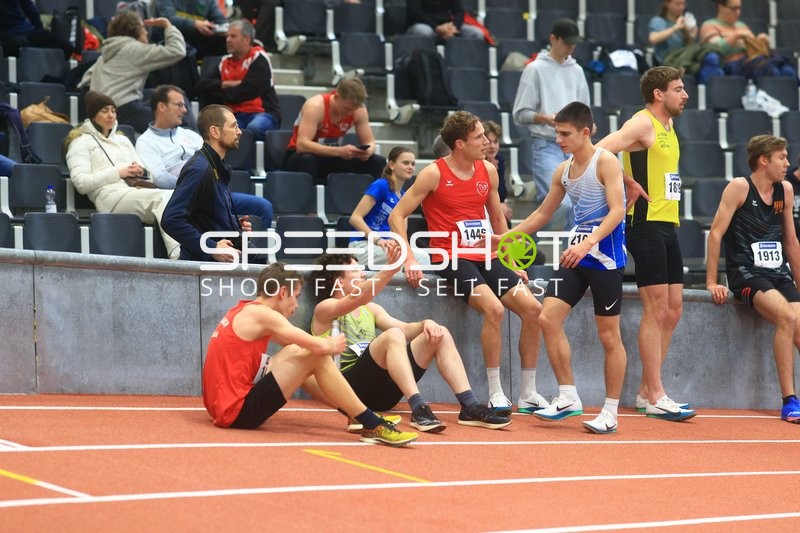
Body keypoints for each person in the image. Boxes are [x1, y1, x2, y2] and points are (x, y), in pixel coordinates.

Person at [388, 110, 547, 416]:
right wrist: (408, 257)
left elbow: (497, 218)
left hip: (485, 253)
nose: (486, 142)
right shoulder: (433, 173)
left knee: (533, 310)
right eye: (478, 137)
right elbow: (397, 215)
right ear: (459, 144)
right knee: (495, 309)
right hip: (450, 256)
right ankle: (496, 392)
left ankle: (527, 393)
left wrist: (511, 259)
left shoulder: (487, 170)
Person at [489, 102, 630, 433]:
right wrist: (505, 238)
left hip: (606, 259)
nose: (558, 139)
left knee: (609, 336)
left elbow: (617, 211)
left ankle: (610, 411)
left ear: (585, 132)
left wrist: (587, 242)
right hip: (575, 259)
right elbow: (541, 214)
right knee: (546, 318)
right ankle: (568, 395)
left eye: (565, 134)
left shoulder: (606, 162)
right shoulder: (563, 171)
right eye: (556, 133)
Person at [202, 262, 419, 446]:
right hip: (237, 412)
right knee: (316, 355)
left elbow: (293, 345)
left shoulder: (244, 310)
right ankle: (372, 424)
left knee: (296, 352)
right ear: (282, 293)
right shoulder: (264, 315)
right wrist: (330, 344)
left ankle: (356, 413)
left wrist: (317, 346)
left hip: (220, 407)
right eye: (295, 297)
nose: (296, 306)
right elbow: (319, 348)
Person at [309, 250, 512, 433]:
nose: (363, 273)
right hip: (349, 390)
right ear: (338, 281)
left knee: (438, 332)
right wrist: (391, 269)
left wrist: (426, 323)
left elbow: (405, 329)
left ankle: (470, 405)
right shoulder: (325, 309)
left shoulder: (370, 310)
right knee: (392, 336)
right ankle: (418, 407)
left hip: (382, 394)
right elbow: (357, 299)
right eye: (355, 270)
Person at [596, 66, 696, 421]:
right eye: (679, 89)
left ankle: (644, 391)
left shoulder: (669, 126)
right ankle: (655, 394)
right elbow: (598, 151)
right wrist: (627, 181)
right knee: (656, 309)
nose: (685, 95)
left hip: (668, 223)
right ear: (658, 94)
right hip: (645, 225)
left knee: (674, 310)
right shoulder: (642, 123)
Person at [706, 134, 800, 424]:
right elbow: (716, 233)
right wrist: (711, 281)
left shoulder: (784, 189)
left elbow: (792, 243)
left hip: (778, 273)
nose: (787, 163)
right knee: (786, 317)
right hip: (746, 273)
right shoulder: (739, 187)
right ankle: (789, 401)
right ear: (764, 160)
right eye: (781, 157)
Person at [135, 85, 273, 228]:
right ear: (162, 107)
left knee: (263, 207)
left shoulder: (191, 135)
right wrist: (193, 183)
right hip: (184, 198)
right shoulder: (146, 141)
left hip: (214, 193)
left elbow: (215, 162)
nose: (184, 110)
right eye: (179, 105)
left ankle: (251, 249)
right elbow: (160, 179)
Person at [65, 91, 180, 259]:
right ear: (92, 115)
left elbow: (149, 175)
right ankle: (177, 252)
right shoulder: (80, 143)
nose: (111, 115)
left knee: (179, 198)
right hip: (110, 198)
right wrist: (119, 172)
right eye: (104, 111)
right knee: (165, 198)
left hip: (136, 191)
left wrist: (141, 171)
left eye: (113, 110)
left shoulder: (123, 140)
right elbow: (81, 184)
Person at [512, 18, 589, 229]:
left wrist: (587, 126)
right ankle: (533, 243)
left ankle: (571, 257)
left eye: (573, 43)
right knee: (560, 204)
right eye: (567, 42)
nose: (571, 47)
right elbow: (520, 113)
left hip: (575, 146)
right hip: (547, 143)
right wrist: (545, 118)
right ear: (553, 39)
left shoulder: (577, 70)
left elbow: (585, 110)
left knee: (579, 206)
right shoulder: (535, 69)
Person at [161, 104, 263, 263]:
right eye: (234, 126)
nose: (239, 131)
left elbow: (203, 218)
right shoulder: (199, 169)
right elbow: (171, 219)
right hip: (202, 269)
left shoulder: (214, 165)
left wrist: (234, 226)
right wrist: (211, 247)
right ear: (215, 131)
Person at [80, 10, 186, 133]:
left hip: (101, 112)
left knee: (164, 104)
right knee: (171, 122)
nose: (146, 32)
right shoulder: (134, 49)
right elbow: (177, 50)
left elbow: (85, 82)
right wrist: (168, 26)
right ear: (134, 30)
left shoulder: (106, 53)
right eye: (143, 28)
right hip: (123, 111)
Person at [283, 77, 386, 186]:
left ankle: (369, 200)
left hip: (332, 155)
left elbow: (370, 142)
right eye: (347, 109)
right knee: (308, 160)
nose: (350, 113)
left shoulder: (358, 110)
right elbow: (302, 145)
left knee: (377, 162)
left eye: (353, 109)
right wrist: (339, 151)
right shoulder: (315, 106)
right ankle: (308, 200)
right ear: (337, 97)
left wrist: (368, 151)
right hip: (300, 155)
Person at [195, 19, 281, 142]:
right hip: (233, 115)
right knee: (221, 133)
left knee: (254, 128)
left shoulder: (259, 58)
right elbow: (201, 85)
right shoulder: (224, 62)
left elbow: (243, 93)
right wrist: (227, 83)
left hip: (262, 113)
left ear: (246, 39)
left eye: (233, 36)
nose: (228, 40)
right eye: (227, 36)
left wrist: (219, 90)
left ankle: (261, 161)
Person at [348, 146, 429, 267]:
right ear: (391, 165)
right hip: (362, 245)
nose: (410, 167)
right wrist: (378, 240)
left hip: (385, 247)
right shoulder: (381, 185)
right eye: (406, 163)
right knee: (418, 257)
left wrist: (397, 243)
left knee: (418, 255)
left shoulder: (403, 196)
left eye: (413, 164)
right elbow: (355, 218)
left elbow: (401, 231)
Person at [699, 0, 769, 72]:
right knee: (764, 66)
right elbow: (717, 49)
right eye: (734, 9)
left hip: (748, 63)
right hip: (728, 65)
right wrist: (736, 35)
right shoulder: (709, 25)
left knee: (774, 63)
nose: (738, 12)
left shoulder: (742, 26)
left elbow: (754, 50)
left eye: (739, 8)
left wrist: (762, 42)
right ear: (721, 7)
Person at [0, 0, 75, 59]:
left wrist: (40, 32)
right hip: (7, 35)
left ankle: (50, 75)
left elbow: (31, 10)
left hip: (27, 31)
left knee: (65, 46)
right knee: (20, 44)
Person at [154, 0, 228, 58]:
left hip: (198, 41)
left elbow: (221, 22)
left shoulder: (208, 1)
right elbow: (168, 19)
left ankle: (216, 73)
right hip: (172, 40)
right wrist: (194, 24)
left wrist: (222, 29)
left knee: (227, 39)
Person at [648, 0, 699, 65]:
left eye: (683, 4)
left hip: (683, 60)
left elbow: (688, 46)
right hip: (666, 63)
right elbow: (653, 39)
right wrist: (675, 27)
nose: (682, 7)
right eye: (677, 4)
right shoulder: (658, 21)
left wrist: (691, 35)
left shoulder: (684, 22)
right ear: (667, 4)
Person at [406, 0, 484, 41]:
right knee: (424, 31)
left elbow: (459, 11)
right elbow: (415, 11)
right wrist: (436, 27)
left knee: (476, 34)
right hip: (424, 24)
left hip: (447, 26)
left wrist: (454, 27)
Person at [482, 120, 512, 223]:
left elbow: (502, 193)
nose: (492, 146)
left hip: (496, 210)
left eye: (495, 142)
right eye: (489, 142)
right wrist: (498, 207)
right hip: (481, 211)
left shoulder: (499, 160)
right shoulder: (476, 163)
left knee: (505, 218)